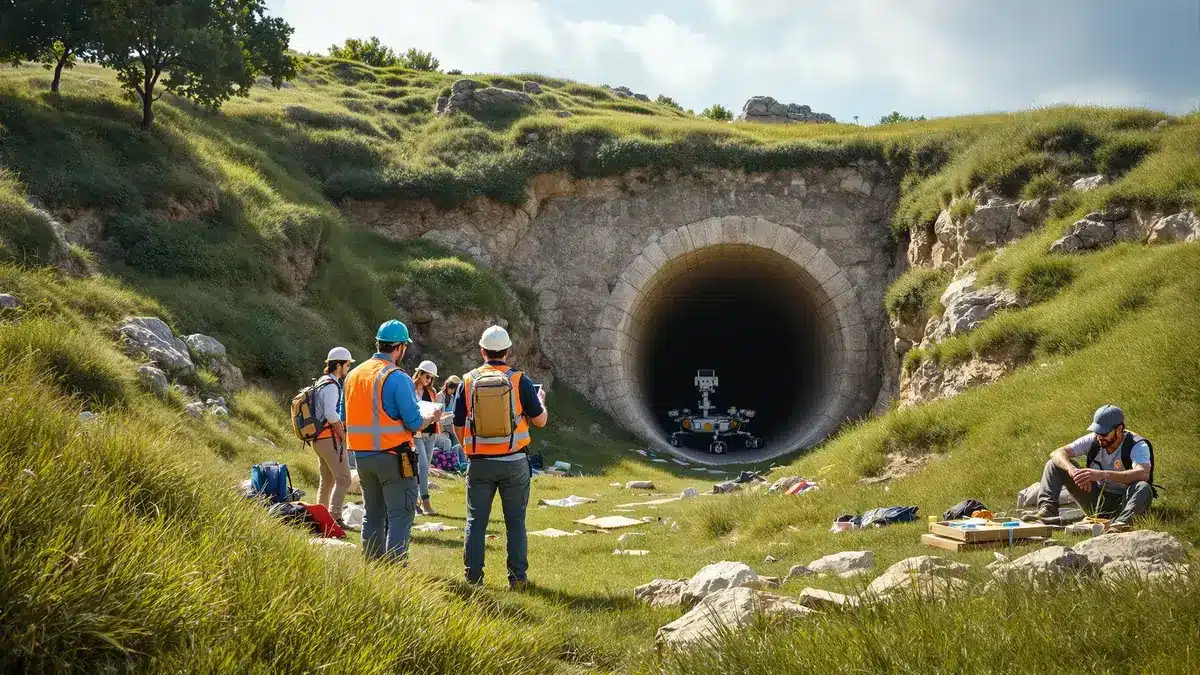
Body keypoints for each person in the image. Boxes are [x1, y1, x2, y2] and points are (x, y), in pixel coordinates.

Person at [453, 325, 548, 590]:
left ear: (482, 351)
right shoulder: (519, 380)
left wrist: (467, 449)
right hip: (514, 461)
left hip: (480, 463)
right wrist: (541, 402)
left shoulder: (468, 380)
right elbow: (540, 420)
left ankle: (474, 579)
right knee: (515, 522)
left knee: (476, 521)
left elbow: (458, 423)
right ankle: (517, 579)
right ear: (507, 351)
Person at [344, 320, 437, 562]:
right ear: (399, 348)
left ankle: (373, 570)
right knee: (400, 514)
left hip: (362, 456)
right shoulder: (397, 377)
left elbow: (345, 416)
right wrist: (432, 417)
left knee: (372, 514)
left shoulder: (353, 375)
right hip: (394, 456)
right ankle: (395, 572)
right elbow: (414, 422)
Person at [1035, 404, 1156, 533]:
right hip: (1097, 501)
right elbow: (1057, 453)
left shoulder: (1137, 445)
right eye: (1097, 432)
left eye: (1104, 433)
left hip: (1126, 502)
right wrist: (1072, 470)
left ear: (1119, 429)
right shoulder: (1094, 440)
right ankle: (1047, 512)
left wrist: (1102, 475)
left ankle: (1120, 525)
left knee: (1143, 487)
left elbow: (1143, 473)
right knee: (1054, 464)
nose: (1099, 437)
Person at [312, 347, 354, 527]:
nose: (348, 368)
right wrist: (344, 436)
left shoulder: (321, 381)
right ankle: (335, 517)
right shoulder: (331, 385)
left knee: (327, 481)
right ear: (338, 365)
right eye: (346, 365)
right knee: (344, 478)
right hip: (328, 439)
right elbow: (330, 413)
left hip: (318, 439)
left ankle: (319, 518)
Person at [412, 359, 442, 516]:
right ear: (420, 374)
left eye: (431, 378)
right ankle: (425, 502)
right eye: (427, 377)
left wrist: (437, 416)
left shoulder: (432, 392)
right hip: (417, 434)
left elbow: (433, 412)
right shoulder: (409, 388)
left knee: (424, 469)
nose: (429, 380)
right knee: (422, 467)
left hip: (430, 435)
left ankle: (417, 501)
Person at [435, 375, 468, 466]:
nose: (452, 391)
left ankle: (458, 461)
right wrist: (449, 414)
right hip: (443, 423)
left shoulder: (453, 397)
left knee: (458, 436)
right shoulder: (440, 396)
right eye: (451, 388)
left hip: (450, 421)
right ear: (447, 386)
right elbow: (439, 414)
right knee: (457, 431)